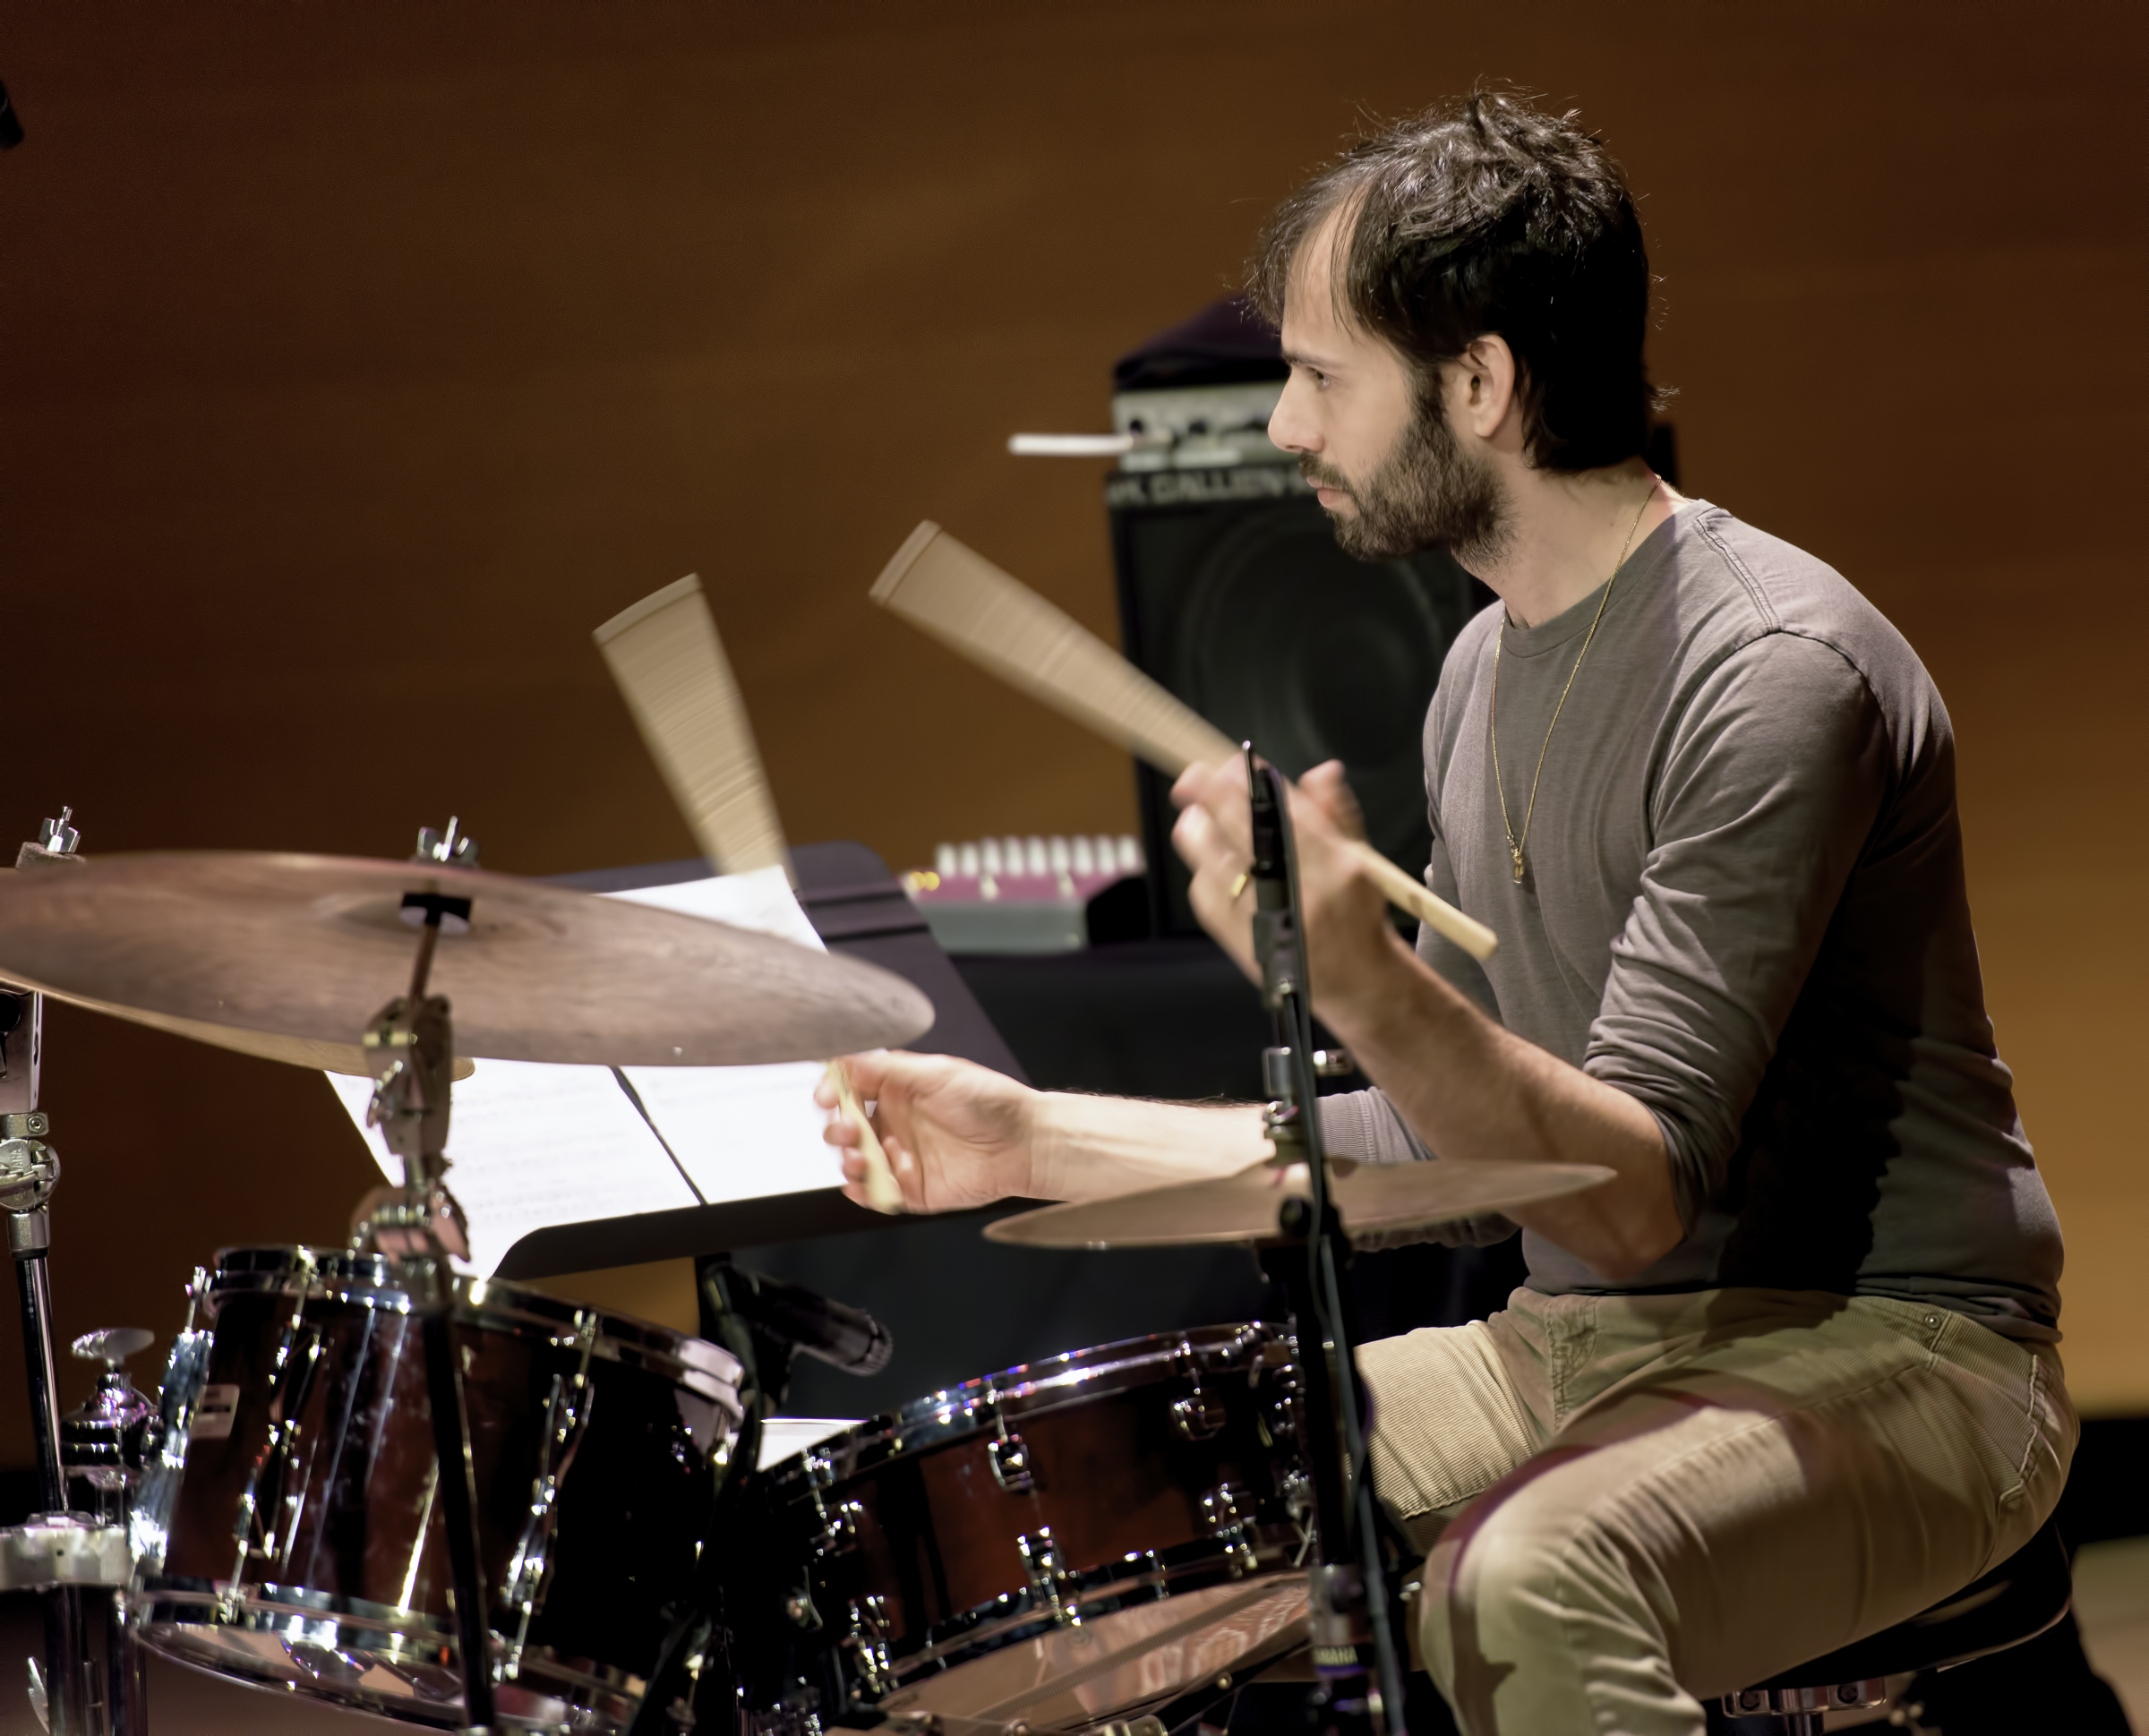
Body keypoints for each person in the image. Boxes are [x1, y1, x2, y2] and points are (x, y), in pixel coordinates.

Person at [819, 91, 2073, 1736]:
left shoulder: (1772, 672)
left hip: (1900, 1357)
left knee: (1526, 1583)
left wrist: (1353, 974)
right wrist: (1033, 1139)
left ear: (1479, 383)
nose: (1281, 426)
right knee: (1104, 1516)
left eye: (1323, 376)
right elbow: (1456, 1148)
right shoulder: (1480, 669)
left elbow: (1624, 1195)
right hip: (1572, 1347)